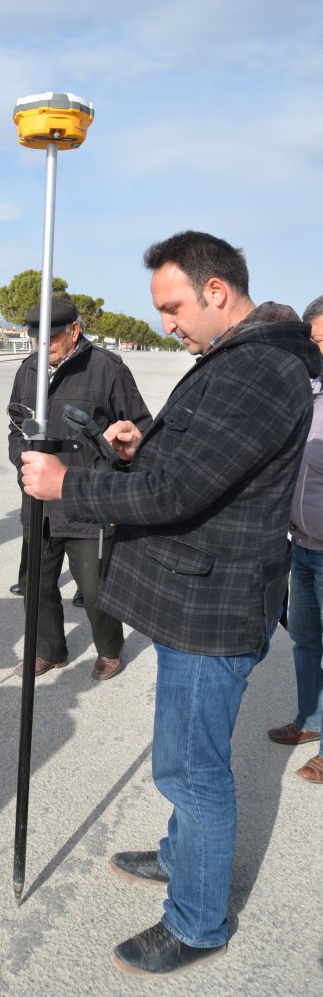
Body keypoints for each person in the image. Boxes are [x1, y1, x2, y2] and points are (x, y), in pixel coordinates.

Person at [20, 232, 320, 977]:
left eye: (174, 306)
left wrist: (71, 485)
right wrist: (136, 447)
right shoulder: (235, 359)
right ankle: (181, 856)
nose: (167, 324)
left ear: (217, 290)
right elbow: (192, 462)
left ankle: (197, 920)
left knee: (191, 771)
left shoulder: (259, 370)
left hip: (212, 604)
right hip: (200, 595)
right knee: (184, 760)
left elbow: (180, 493)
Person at [8, 295, 151, 678]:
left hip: (88, 501)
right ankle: (49, 650)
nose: (44, 345)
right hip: (38, 504)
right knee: (36, 586)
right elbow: (15, 425)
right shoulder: (28, 369)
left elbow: (141, 428)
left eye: (52, 337)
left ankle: (109, 650)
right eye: (37, 338)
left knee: (95, 588)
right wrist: (21, 458)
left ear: (74, 331)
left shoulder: (108, 369)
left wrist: (119, 462)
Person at [267, 294, 323, 783]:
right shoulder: (305, 392)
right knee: (304, 640)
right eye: (317, 341)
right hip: (302, 547)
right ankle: (312, 720)